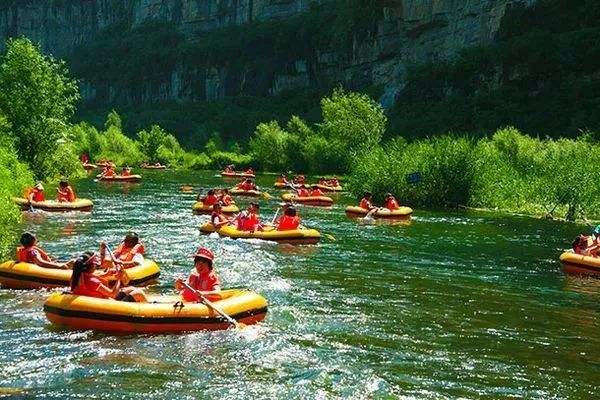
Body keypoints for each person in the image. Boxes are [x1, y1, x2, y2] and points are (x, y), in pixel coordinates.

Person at [70, 252, 147, 302]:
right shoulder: (93, 282)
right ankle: (147, 310)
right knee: (138, 293)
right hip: (108, 306)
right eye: (94, 264)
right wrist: (118, 280)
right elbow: (112, 294)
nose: (95, 266)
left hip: (98, 301)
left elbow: (94, 277)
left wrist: (107, 274)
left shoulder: (78, 276)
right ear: (89, 267)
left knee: (131, 289)